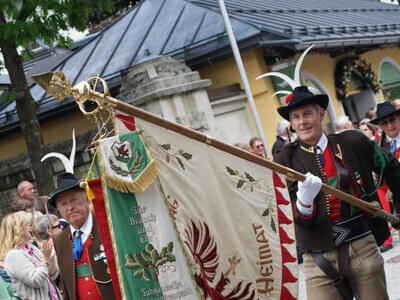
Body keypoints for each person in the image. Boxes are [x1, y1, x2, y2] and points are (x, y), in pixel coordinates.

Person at [274, 86, 400, 300]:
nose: (302, 121)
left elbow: (388, 165)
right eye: (295, 117)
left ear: (321, 113)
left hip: (362, 245)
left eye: (307, 114)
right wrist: (303, 202)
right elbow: (285, 213)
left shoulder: (352, 141)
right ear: (292, 124)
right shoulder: (285, 161)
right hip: (317, 259)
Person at [49, 172, 116, 300]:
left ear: (86, 198)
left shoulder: (107, 226)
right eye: (63, 204)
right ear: (58, 209)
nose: (70, 207)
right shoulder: (60, 240)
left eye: (74, 200)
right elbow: (66, 285)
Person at [0, 211, 60, 300]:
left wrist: (50, 257)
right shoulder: (13, 255)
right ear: (18, 229)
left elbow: (53, 276)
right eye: (27, 225)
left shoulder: (32, 248)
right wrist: (45, 258)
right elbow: (36, 281)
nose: (31, 228)